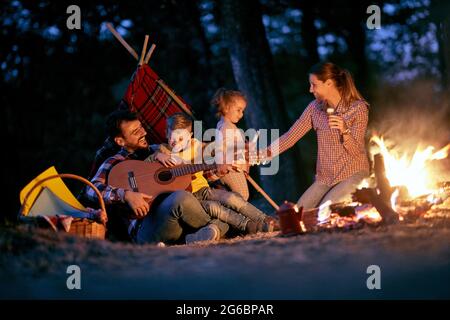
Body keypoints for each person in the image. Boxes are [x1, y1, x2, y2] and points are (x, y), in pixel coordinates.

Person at [84, 110, 230, 245]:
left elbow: (193, 176)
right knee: (181, 198)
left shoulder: (160, 151)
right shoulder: (114, 161)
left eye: (141, 127)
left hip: (177, 217)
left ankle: (200, 234)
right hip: (147, 227)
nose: (144, 133)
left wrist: (218, 170)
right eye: (136, 132)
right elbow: (91, 190)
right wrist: (126, 194)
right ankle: (221, 227)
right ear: (120, 141)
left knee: (208, 199)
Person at [264, 62, 370, 209]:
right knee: (299, 214)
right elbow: (290, 136)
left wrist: (345, 131)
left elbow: (357, 151)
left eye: (314, 85)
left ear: (329, 83)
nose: (310, 89)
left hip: (353, 174)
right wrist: (264, 153)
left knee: (324, 212)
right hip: (325, 179)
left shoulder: (358, 108)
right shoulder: (315, 108)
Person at [153, 113, 276, 233]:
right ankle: (249, 226)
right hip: (189, 198)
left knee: (232, 198)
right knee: (214, 208)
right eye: (172, 138)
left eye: (181, 139)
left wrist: (239, 148)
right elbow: (150, 158)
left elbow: (214, 148)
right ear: (166, 134)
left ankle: (266, 219)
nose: (177, 143)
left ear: (189, 136)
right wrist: (158, 155)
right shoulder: (163, 150)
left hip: (204, 189)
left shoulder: (195, 145)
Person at [209, 88, 252, 200]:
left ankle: (229, 212)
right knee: (242, 196)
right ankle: (233, 215)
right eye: (238, 110)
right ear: (226, 108)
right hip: (231, 168)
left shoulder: (225, 125)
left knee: (238, 196)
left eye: (242, 111)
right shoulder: (226, 127)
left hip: (232, 167)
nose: (241, 114)